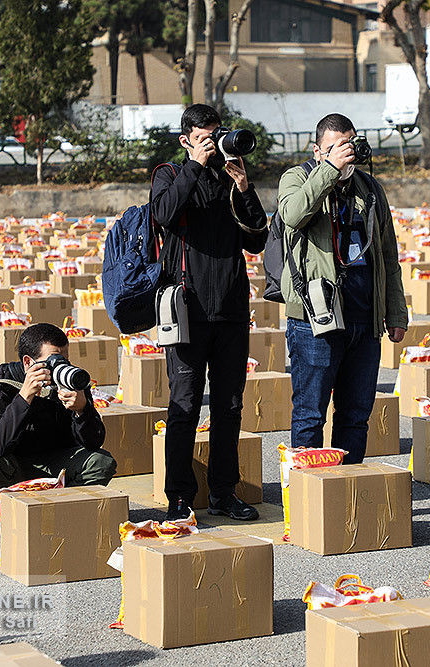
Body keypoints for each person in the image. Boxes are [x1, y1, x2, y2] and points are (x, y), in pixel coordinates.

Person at [150, 103, 268, 522]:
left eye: (216, 136)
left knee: (229, 407)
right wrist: (195, 166)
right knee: (184, 407)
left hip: (231, 310)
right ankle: (179, 497)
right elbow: (164, 214)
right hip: (187, 310)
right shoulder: (170, 174)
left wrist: (244, 188)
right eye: (203, 139)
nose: (212, 145)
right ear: (185, 140)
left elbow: (257, 240)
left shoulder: (228, 177)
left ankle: (223, 492)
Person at [277, 113, 408, 464]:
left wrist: (396, 312)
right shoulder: (298, 177)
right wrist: (329, 171)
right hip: (315, 320)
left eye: (348, 145)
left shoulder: (369, 188)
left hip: (364, 319)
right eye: (335, 148)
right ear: (317, 150)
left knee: (355, 415)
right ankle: (308, 489)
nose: (345, 154)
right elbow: (293, 215)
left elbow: (388, 254)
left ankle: (344, 487)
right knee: (310, 414)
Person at [0, 323, 116, 542]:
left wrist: (82, 409)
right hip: (10, 466)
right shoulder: (1, 384)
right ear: (28, 362)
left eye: (65, 359)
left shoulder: (70, 379)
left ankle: (61, 509)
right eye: (53, 360)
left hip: (54, 464)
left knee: (101, 462)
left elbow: (93, 443)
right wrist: (25, 396)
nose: (61, 366)